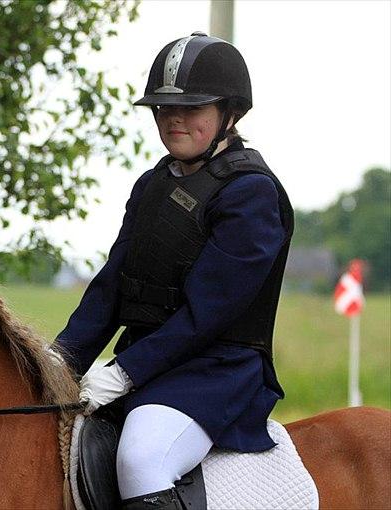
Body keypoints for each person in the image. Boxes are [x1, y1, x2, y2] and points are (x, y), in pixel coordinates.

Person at [53, 32, 294, 509]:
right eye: (164, 109)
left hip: (216, 370)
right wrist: (60, 360)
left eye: (193, 108)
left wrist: (125, 372)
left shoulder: (251, 194)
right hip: (152, 362)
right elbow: (111, 286)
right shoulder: (153, 184)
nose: (175, 119)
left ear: (231, 112)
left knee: (142, 458)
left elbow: (209, 314)